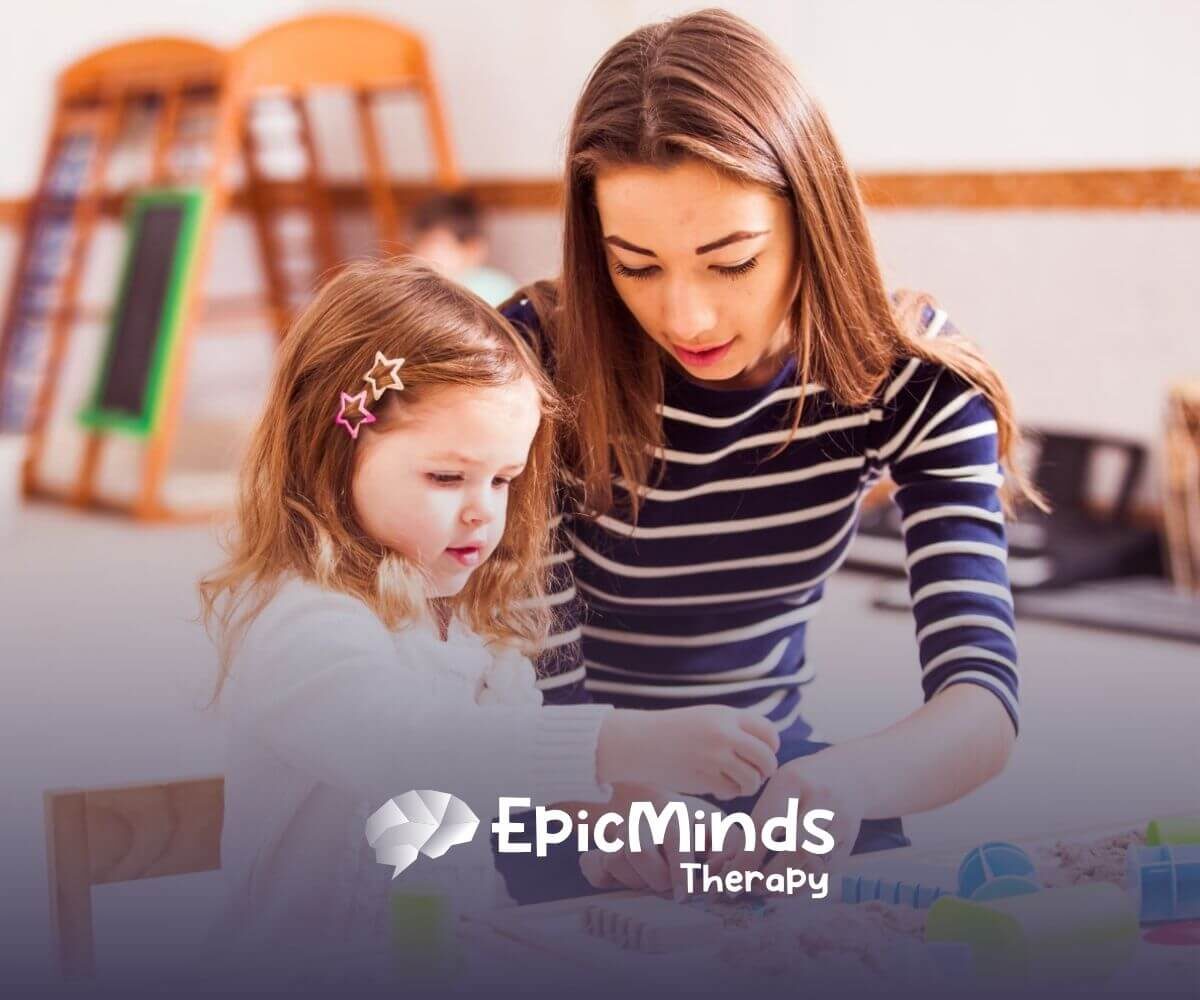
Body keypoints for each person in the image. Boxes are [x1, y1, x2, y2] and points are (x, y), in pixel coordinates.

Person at [494, 8, 1035, 902]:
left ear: (810, 220)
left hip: (770, 778)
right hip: (559, 781)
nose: (686, 317)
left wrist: (846, 787)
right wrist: (607, 800)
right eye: (636, 265)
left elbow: (981, 702)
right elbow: (536, 684)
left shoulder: (915, 378)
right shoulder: (531, 366)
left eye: (731, 260)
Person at [197, 258, 780, 963]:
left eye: (503, 479)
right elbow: (407, 748)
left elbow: (508, 766)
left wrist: (616, 827)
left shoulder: (472, 624)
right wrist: (621, 741)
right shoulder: (298, 619)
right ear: (331, 453)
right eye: (446, 476)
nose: (483, 510)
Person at [409, 191, 518, 305]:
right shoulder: (417, 287)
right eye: (416, 243)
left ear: (473, 249)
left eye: (432, 244)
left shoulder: (497, 291)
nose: (419, 254)